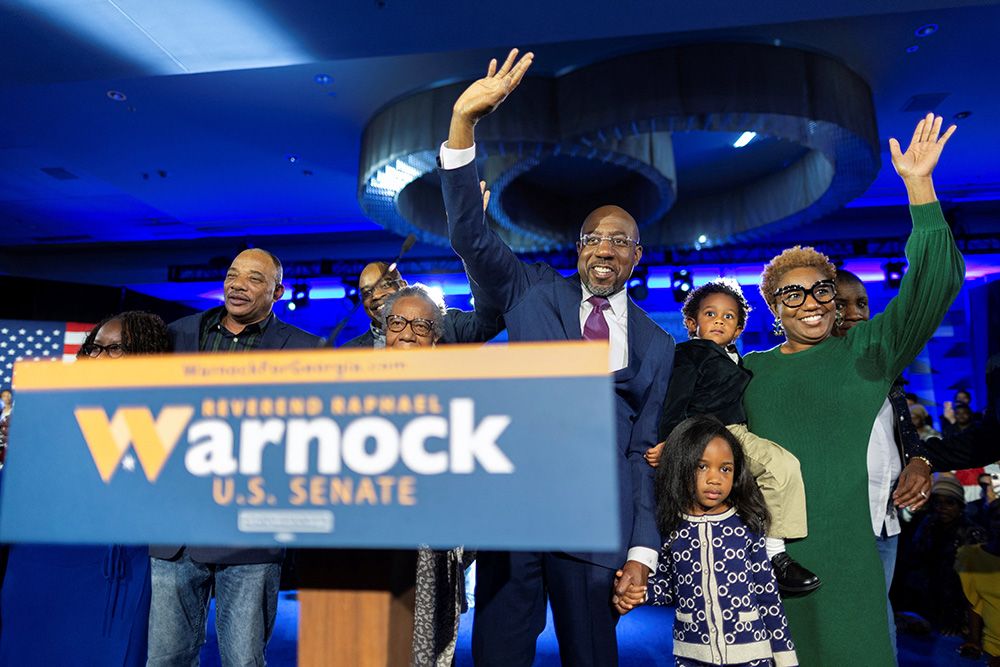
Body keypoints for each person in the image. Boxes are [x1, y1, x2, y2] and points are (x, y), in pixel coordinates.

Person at [439, 49, 675, 666]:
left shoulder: (657, 343)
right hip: (517, 518)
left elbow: (641, 453)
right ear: (577, 249)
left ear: (637, 255)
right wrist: (464, 123)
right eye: (593, 237)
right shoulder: (529, 291)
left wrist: (641, 553)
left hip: (597, 530)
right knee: (498, 656)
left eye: (619, 241)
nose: (604, 248)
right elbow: (470, 235)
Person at [740, 113, 964, 665]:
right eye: (792, 295)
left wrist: (919, 187)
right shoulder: (748, 372)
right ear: (773, 308)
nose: (811, 303)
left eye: (820, 290)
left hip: (851, 553)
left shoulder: (867, 352)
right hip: (768, 558)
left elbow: (932, 286)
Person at [148, 248, 322, 666]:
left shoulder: (307, 349)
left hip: (250, 534)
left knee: (243, 661)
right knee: (164, 659)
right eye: (232, 274)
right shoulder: (174, 336)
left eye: (254, 278)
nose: (237, 284)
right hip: (177, 533)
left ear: (278, 291)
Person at [0, 311, 170, 667]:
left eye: (114, 349)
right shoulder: (51, 405)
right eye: (93, 348)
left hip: (109, 571)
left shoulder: (161, 413)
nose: (98, 356)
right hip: (35, 564)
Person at [644, 278, 818, 594]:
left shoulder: (733, 357)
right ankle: (774, 557)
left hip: (731, 433)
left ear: (738, 329)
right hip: (716, 434)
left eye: (728, 317)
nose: (719, 321)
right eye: (710, 314)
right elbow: (674, 399)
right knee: (781, 467)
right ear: (690, 322)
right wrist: (669, 442)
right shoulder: (692, 353)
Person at [618, 415, 797, 666]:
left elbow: (767, 593)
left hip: (751, 655)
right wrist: (641, 593)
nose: (715, 478)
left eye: (725, 469)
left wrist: (785, 660)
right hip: (692, 654)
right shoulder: (671, 527)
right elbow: (672, 587)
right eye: (702, 466)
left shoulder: (748, 523)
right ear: (680, 466)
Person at [832, 268, 934, 660]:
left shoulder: (884, 365)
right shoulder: (809, 367)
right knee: (842, 621)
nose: (856, 313)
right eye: (842, 304)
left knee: (878, 617)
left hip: (885, 519)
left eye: (862, 303)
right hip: (837, 521)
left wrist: (921, 461)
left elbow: (905, 432)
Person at [379, 284, 475, 666]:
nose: (406, 332)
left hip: (429, 556)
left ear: (436, 336)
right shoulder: (349, 390)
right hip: (365, 552)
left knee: (424, 657)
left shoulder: (459, 396)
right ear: (384, 329)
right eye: (397, 322)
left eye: (420, 326)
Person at [340, 262, 501, 348]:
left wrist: (471, 248)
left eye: (384, 285)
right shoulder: (349, 353)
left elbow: (491, 319)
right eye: (367, 292)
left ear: (402, 285)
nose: (375, 295)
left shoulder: (449, 325)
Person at [901, 474, 985, 636]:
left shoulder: (974, 533)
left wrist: (960, 619)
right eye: (937, 502)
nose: (943, 507)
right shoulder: (929, 523)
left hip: (962, 612)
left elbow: (974, 585)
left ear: (960, 505)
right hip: (929, 603)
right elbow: (911, 560)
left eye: (949, 502)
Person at [956, 499, 1000, 665]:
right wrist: (974, 639)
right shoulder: (972, 555)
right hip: (988, 650)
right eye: (997, 518)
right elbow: (974, 601)